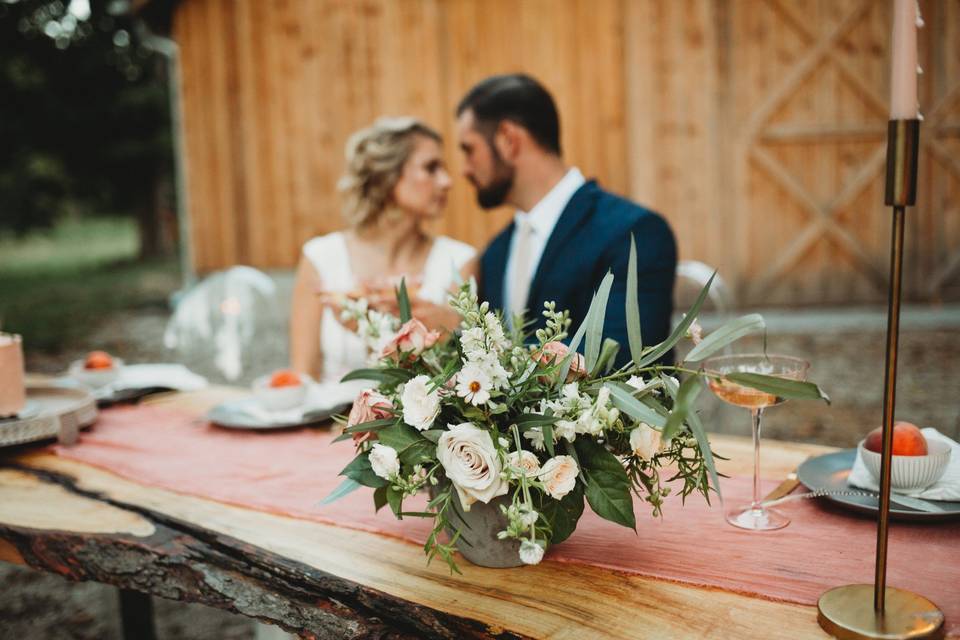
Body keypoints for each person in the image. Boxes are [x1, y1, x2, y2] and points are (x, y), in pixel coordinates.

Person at [456, 73, 676, 364]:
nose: (464, 169)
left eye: (469, 149)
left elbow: (620, 353)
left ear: (509, 140)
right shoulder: (495, 254)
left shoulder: (634, 232)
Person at [289, 117, 475, 382]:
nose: (447, 181)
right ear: (387, 176)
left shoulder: (459, 261)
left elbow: (455, 379)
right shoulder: (320, 258)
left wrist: (374, 333)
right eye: (431, 168)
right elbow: (302, 378)